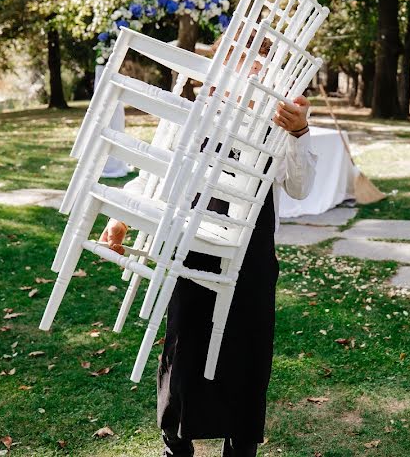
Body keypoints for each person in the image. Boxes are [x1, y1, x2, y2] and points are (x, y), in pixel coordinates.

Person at [100, 30, 317, 457]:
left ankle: (241, 448)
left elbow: (301, 186)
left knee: (247, 356)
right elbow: (155, 170)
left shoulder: (278, 120)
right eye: (239, 59)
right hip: (189, 244)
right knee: (185, 349)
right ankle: (175, 446)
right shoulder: (190, 109)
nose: (249, 71)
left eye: (258, 65)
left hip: (249, 255)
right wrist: (121, 216)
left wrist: (300, 132)